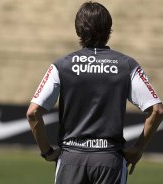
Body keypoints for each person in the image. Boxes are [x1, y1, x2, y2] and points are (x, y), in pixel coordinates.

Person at [26, 1, 163, 184]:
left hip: (71, 159)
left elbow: (33, 113)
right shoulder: (127, 65)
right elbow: (157, 110)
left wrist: (47, 152)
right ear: (109, 29)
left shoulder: (61, 65)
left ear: (78, 30)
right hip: (109, 160)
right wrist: (138, 148)